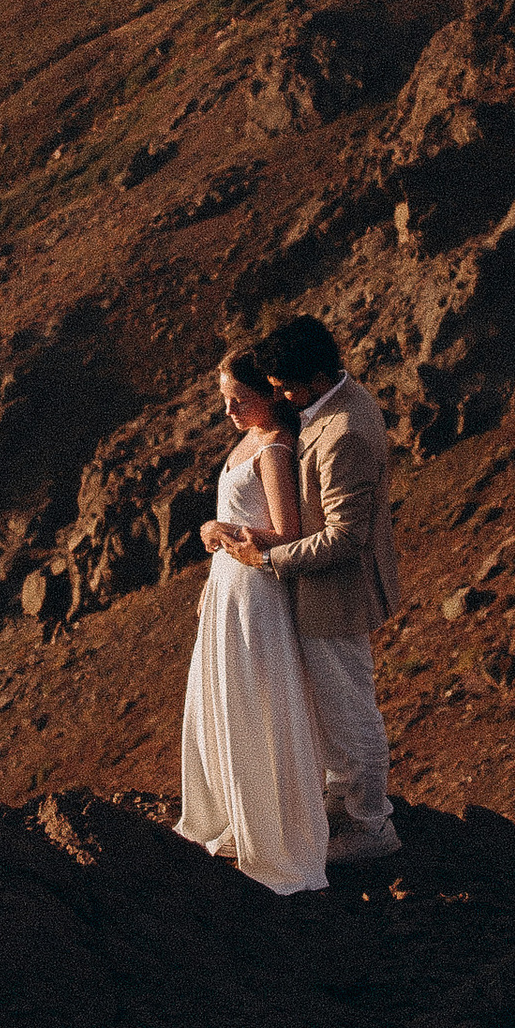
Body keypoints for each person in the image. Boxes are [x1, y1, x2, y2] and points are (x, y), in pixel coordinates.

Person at [215, 314, 401, 868]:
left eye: (285, 387)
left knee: (349, 716)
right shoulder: (330, 407)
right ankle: (343, 815)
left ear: (315, 377)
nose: (279, 397)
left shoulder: (344, 431)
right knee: (328, 712)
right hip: (316, 592)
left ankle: (371, 828)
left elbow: (344, 538)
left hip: (336, 593)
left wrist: (266, 557)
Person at [177, 352, 331, 894]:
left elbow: (287, 531)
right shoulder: (248, 440)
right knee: (221, 699)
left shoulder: (273, 447)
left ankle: (269, 831)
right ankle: (229, 817)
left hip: (255, 589)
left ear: (267, 394)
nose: (229, 410)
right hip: (227, 587)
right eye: (225, 399)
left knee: (252, 703)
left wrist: (223, 531)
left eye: (239, 400)